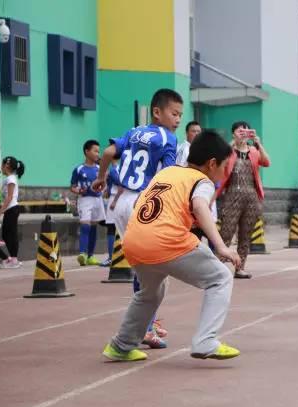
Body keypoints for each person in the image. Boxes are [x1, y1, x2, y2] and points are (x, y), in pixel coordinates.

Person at [101, 130, 242, 362]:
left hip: (134, 240)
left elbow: (142, 201)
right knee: (221, 277)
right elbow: (200, 207)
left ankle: (121, 345)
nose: (225, 172)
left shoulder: (167, 172)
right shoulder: (202, 181)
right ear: (212, 163)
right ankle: (206, 341)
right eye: (225, 166)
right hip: (166, 240)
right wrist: (222, 247)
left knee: (151, 292)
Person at [92, 88, 183, 349]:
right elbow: (167, 176)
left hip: (120, 203)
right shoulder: (168, 138)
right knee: (155, 270)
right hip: (143, 204)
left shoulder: (133, 132)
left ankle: (147, 323)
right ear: (157, 112)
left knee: (143, 267)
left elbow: (108, 153)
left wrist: (101, 177)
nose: (177, 119)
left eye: (180, 115)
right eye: (174, 113)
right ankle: (145, 326)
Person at [216, 121, 270, 279]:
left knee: (245, 235)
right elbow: (219, 158)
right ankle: (217, 268)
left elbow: (266, 162)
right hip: (232, 194)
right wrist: (234, 143)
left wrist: (259, 144)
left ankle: (240, 268)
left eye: (246, 132)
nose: (244, 135)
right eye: (240, 132)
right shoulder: (229, 151)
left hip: (251, 196)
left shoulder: (253, 151)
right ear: (233, 133)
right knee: (226, 232)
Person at [71, 140, 105, 266]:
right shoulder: (79, 169)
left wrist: (103, 186)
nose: (98, 153)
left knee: (94, 226)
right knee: (85, 225)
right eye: (95, 151)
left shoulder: (99, 169)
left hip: (97, 199)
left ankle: (90, 256)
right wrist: (78, 190)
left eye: (98, 151)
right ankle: (82, 254)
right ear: (87, 151)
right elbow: (72, 186)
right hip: (85, 200)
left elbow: (104, 183)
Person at [0, 156, 25, 269]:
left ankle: (14, 260)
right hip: (10, 209)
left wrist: (0, 211)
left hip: (12, 209)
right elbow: (4, 196)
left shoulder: (11, 179)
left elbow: (9, 197)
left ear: (6, 166)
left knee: (10, 234)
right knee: (7, 234)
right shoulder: (9, 178)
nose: (1, 167)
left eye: (2, 165)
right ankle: (14, 259)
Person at [99, 160, 122, 267]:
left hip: (116, 198)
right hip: (119, 197)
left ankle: (111, 257)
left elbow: (121, 186)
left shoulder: (114, 169)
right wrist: (107, 190)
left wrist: (115, 201)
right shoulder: (124, 166)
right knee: (118, 228)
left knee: (112, 228)